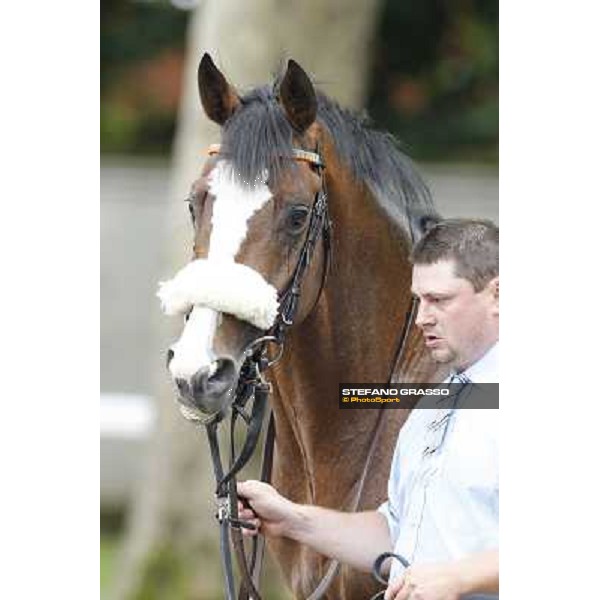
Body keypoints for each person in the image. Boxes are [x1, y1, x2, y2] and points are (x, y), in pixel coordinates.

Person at [238, 219, 499, 600]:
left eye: (439, 300)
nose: (422, 317)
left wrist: (459, 578)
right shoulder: (432, 405)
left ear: (498, 295)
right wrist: (292, 519)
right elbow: (395, 532)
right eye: (419, 300)